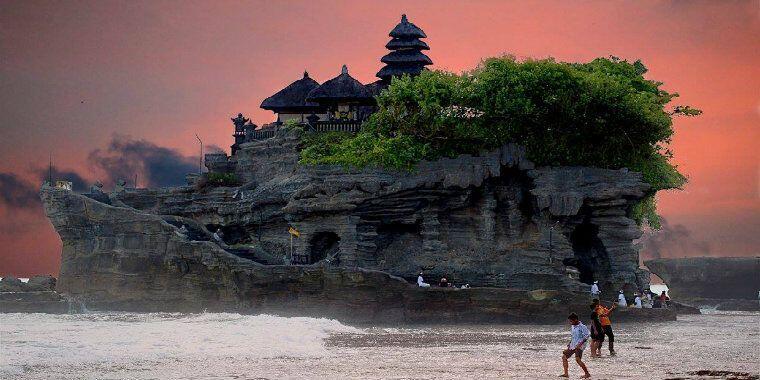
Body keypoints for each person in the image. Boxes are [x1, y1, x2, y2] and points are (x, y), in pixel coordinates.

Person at [560, 313, 591, 379]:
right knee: (564, 357)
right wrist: (570, 343)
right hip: (573, 345)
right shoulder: (573, 326)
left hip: (580, 345)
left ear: (576, 319)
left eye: (571, 321)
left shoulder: (582, 326)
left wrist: (580, 344)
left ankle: (587, 374)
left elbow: (587, 336)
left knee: (578, 360)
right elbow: (573, 336)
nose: (570, 322)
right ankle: (566, 374)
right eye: (570, 321)